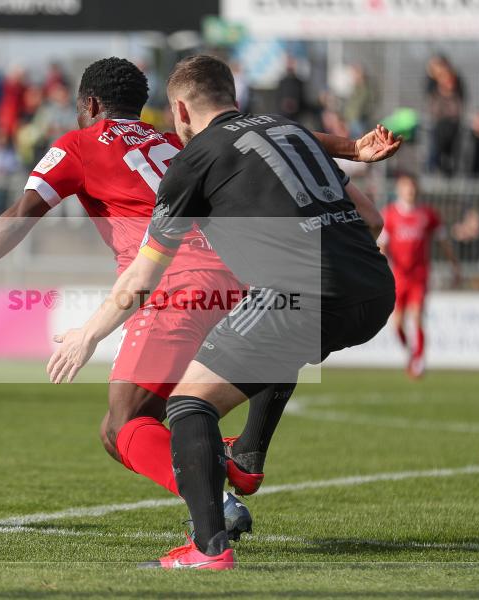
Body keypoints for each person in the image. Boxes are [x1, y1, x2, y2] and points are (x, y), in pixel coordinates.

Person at [0, 57, 401, 541]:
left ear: (88, 104)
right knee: (229, 381)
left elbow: (21, 213)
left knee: (123, 425)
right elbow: (271, 134)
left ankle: (217, 504)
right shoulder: (181, 138)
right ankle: (247, 454)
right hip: (246, 279)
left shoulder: (77, 145)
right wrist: (352, 149)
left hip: (173, 284)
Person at [46, 55, 399, 570]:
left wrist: (89, 335)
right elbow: (372, 217)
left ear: (181, 109)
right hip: (374, 288)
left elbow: (143, 277)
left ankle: (209, 548)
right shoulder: (291, 132)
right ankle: (249, 454)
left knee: (189, 403)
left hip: (302, 292)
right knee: (283, 341)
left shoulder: (192, 162)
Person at [379, 173, 460, 379]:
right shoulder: (389, 215)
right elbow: (382, 246)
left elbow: (443, 242)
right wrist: (380, 269)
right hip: (398, 276)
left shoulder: (428, 215)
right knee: (396, 324)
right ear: (399, 189)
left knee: (416, 317)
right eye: (406, 187)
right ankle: (412, 353)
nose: (410, 190)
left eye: (413, 186)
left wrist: (454, 265)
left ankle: (420, 359)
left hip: (419, 275)